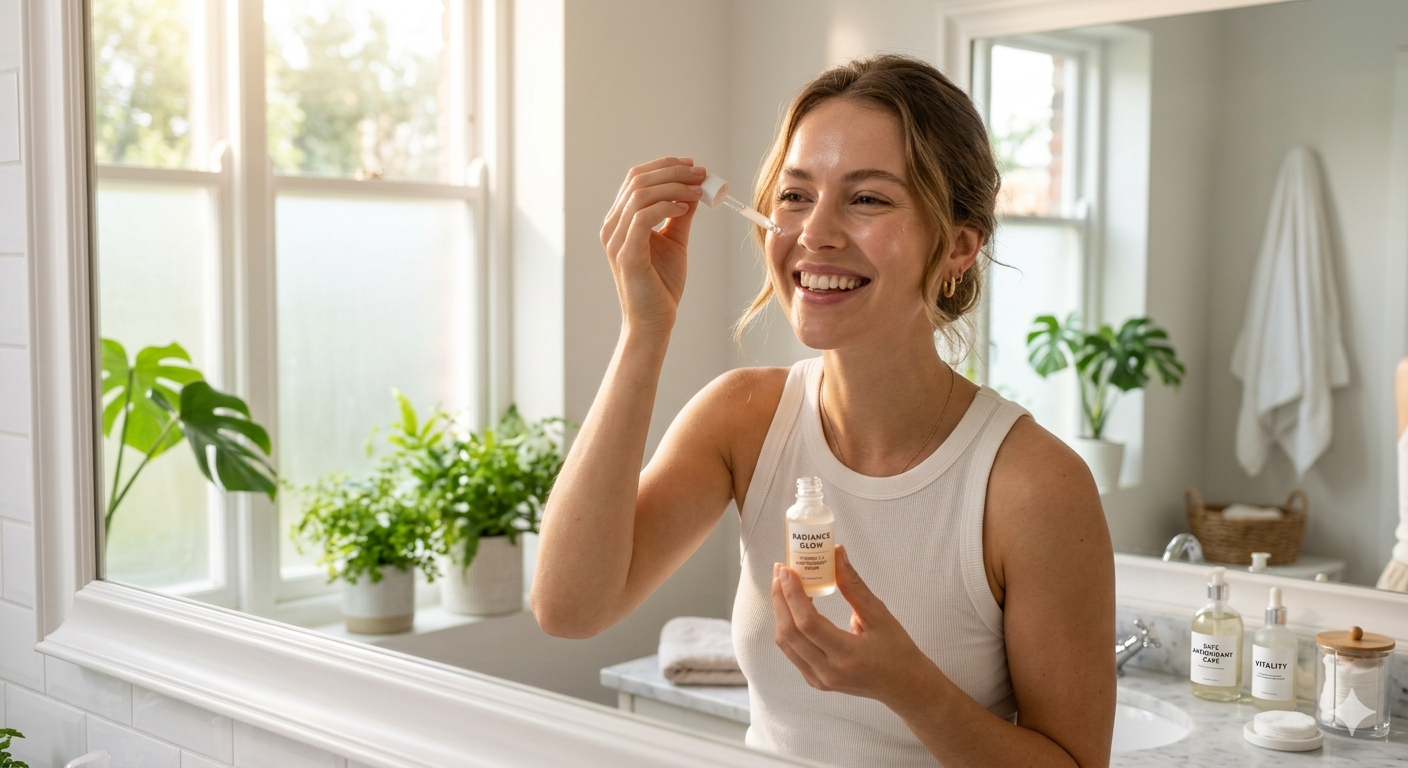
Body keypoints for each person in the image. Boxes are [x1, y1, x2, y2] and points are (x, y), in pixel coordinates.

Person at [531, 54, 1116, 767]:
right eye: (794, 195)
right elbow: (568, 608)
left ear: (959, 246)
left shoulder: (1031, 485)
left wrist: (909, 687)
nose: (815, 233)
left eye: (867, 199)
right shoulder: (741, 420)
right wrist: (643, 331)